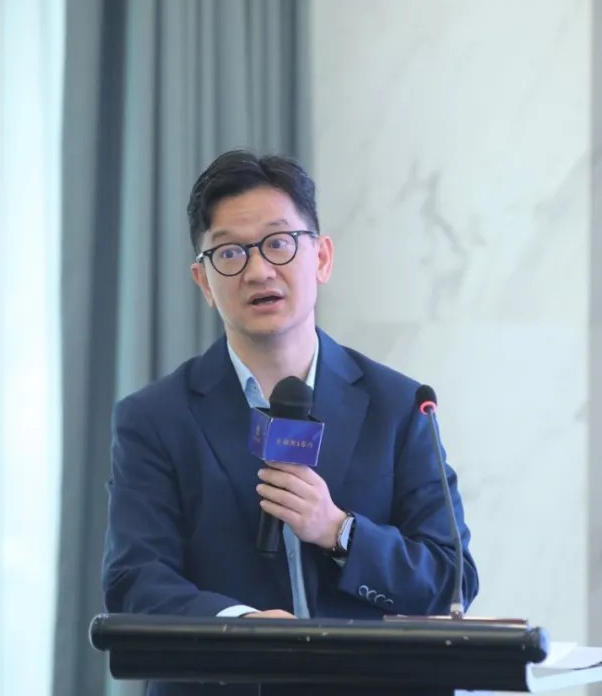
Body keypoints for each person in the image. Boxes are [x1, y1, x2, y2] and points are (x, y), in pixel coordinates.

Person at [101, 150, 479, 695]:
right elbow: (134, 580)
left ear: (321, 258)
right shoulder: (154, 419)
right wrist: (239, 628)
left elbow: (451, 581)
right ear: (203, 281)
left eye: (279, 243)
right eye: (230, 253)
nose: (258, 270)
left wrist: (339, 531)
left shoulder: (401, 406)